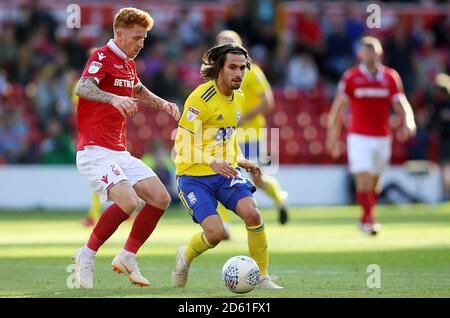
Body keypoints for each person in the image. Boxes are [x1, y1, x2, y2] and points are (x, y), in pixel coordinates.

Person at [73, 7, 180, 289]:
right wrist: (111, 99)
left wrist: (163, 104)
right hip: (94, 150)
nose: (141, 44)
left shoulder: (128, 63)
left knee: (160, 197)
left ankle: (128, 256)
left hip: (118, 151)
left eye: (144, 38)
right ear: (119, 35)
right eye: (136, 38)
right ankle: (86, 254)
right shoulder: (101, 56)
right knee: (130, 201)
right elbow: (82, 87)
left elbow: (137, 90)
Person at [172, 43, 282, 289]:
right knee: (215, 234)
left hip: (225, 172)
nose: (239, 73)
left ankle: (262, 276)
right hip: (194, 176)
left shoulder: (239, 97)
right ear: (220, 69)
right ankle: (185, 256)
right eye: (233, 67)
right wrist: (212, 161)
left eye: (242, 68)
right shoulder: (200, 98)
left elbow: (228, 135)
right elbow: (181, 145)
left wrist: (240, 158)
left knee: (252, 214)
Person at [326, 36, 416, 236]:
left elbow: (401, 103)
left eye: (373, 51)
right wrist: (333, 136)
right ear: (360, 54)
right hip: (358, 136)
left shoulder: (391, 77)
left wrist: (409, 120)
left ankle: (366, 214)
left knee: (376, 181)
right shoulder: (351, 77)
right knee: (364, 175)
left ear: (379, 53)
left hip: (383, 136)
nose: (370, 55)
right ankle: (369, 219)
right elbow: (338, 109)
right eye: (366, 51)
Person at [215, 30, 289, 240]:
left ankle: (279, 199)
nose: (226, 46)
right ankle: (224, 226)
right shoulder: (215, 74)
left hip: (250, 134)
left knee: (258, 178)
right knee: (223, 175)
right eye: (222, 44)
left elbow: (268, 100)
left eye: (230, 43)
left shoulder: (251, 71)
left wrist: (243, 118)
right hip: (225, 135)